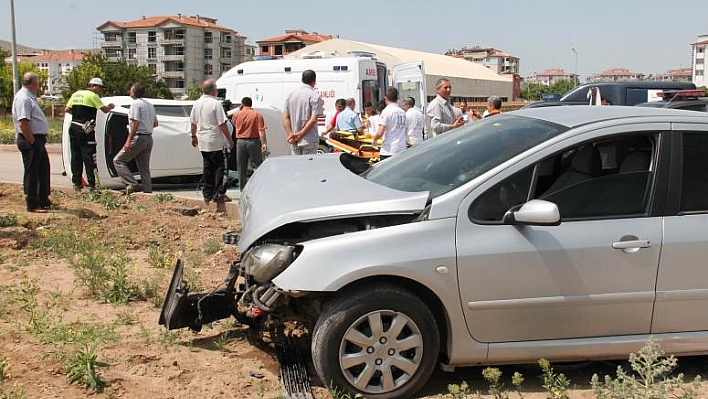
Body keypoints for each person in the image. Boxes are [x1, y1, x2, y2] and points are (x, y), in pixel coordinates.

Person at [65, 77, 115, 190]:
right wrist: (111, 106)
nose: (101, 90)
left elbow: (67, 109)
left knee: (75, 155)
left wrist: (78, 114)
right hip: (85, 128)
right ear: (93, 86)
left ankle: (76, 182)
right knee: (89, 155)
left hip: (73, 126)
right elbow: (105, 110)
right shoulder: (93, 96)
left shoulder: (76, 94)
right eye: (100, 88)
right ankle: (92, 183)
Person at [190, 79, 235, 204]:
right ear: (213, 90)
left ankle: (207, 194)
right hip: (215, 140)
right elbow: (222, 124)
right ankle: (219, 193)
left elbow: (193, 122)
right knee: (220, 168)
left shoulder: (197, 103)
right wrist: (229, 140)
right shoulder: (215, 104)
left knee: (208, 168)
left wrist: (193, 136)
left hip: (203, 141)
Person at [13, 72, 51, 213]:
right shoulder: (23, 98)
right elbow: (23, 123)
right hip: (30, 140)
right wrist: (33, 142)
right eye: (38, 83)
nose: (39, 85)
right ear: (33, 84)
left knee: (43, 170)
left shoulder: (29, 97)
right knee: (32, 173)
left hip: (36, 139)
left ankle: (43, 200)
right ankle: (33, 204)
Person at [113, 83, 157, 194]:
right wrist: (146, 126)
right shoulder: (149, 105)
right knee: (144, 168)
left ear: (134, 92)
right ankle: (147, 192)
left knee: (118, 160)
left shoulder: (135, 104)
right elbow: (155, 123)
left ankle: (132, 183)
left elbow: (135, 123)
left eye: (131, 90)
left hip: (138, 137)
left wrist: (128, 141)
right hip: (148, 138)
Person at [282, 69, 323, 155]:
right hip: (309, 139)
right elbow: (314, 119)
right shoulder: (314, 95)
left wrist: (290, 134)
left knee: (296, 167)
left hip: (294, 140)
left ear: (302, 80)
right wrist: (300, 134)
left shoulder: (290, 95)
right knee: (308, 167)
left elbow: (285, 117)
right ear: (314, 81)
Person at [231, 96, 267, 191]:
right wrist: (264, 143)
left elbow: (234, 124)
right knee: (257, 165)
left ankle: (242, 189)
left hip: (240, 142)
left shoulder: (236, 114)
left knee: (241, 167)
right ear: (251, 104)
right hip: (253, 141)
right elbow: (261, 130)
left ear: (242, 104)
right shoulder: (257, 115)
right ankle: (259, 187)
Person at [372, 87, 407, 160]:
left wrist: (374, 139)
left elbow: (380, 132)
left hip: (388, 150)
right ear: (397, 98)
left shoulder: (386, 111)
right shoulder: (402, 112)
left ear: (385, 98)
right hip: (401, 148)